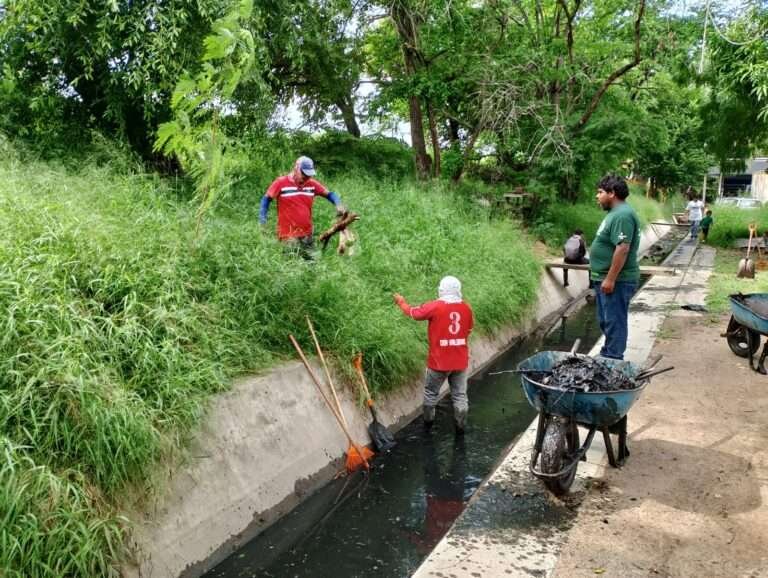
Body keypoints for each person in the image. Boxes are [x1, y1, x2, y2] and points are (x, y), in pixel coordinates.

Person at [393, 276, 474, 434]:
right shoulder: (466, 308)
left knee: (431, 394)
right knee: (460, 396)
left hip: (439, 362)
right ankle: (460, 429)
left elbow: (413, 313)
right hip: (460, 362)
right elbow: (469, 330)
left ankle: (428, 427)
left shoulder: (435, 306)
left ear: (442, 289)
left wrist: (401, 302)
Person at [590, 175, 640, 360]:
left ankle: (612, 359)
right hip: (604, 278)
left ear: (612, 193)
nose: (597, 196)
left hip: (618, 280)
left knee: (614, 321)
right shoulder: (614, 214)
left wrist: (610, 278)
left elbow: (622, 248)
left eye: (600, 192)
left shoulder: (622, 215)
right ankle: (608, 354)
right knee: (606, 320)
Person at [259, 156, 345, 258]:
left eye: (309, 175)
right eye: (304, 174)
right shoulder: (281, 182)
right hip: (288, 236)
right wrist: (262, 221)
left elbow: (330, 194)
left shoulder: (311, 184)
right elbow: (266, 199)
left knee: (314, 264)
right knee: (292, 266)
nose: (306, 177)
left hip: (307, 235)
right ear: (296, 168)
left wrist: (338, 204)